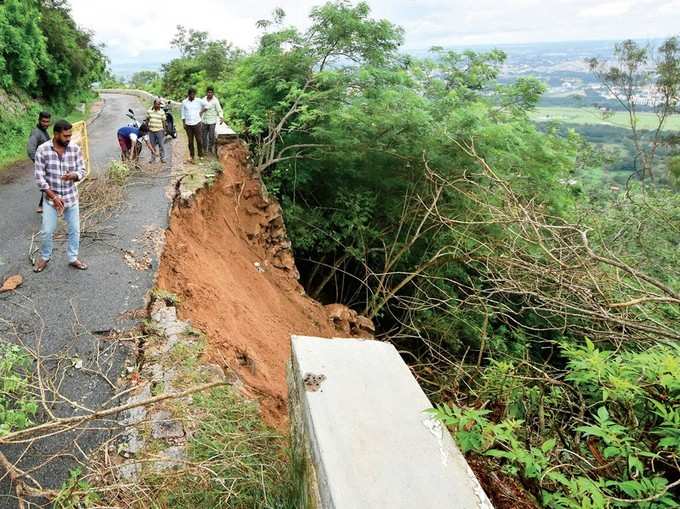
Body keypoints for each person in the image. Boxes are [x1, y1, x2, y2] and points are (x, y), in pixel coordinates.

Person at [33, 120, 88, 272]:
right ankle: (44, 257)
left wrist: (74, 175)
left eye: (70, 135)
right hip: (51, 200)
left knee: (75, 230)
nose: (69, 138)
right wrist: (54, 197)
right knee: (47, 231)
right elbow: (39, 178)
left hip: (71, 198)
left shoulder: (75, 149)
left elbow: (82, 170)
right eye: (65, 136)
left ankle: (73, 258)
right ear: (56, 134)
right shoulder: (42, 150)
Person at [26, 111, 52, 213]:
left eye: (47, 122)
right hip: (42, 164)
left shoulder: (44, 131)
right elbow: (30, 149)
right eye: (43, 121)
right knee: (47, 184)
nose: (46, 124)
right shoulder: (36, 132)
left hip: (48, 163)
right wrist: (37, 163)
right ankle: (42, 206)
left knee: (48, 183)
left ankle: (43, 205)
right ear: (39, 120)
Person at [180, 87, 207, 163]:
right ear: (188, 94)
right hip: (188, 124)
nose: (192, 95)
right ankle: (192, 156)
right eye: (191, 94)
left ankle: (200, 155)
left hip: (197, 123)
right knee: (190, 141)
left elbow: (207, 106)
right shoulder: (184, 102)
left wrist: (201, 112)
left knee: (199, 140)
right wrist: (184, 123)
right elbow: (182, 114)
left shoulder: (198, 101)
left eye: (194, 94)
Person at [202, 87, 224, 156]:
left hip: (212, 121)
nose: (210, 94)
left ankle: (210, 149)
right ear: (206, 93)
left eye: (211, 92)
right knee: (204, 136)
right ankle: (204, 149)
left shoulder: (215, 101)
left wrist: (221, 117)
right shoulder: (203, 99)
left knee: (211, 136)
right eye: (208, 92)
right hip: (204, 120)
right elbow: (200, 109)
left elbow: (219, 110)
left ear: (213, 93)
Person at [146, 99, 166, 163]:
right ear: (154, 104)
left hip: (159, 130)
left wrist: (164, 130)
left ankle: (162, 158)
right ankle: (153, 158)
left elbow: (164, 121)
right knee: (152, 145)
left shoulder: (162, 112)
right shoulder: (149, 111)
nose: (158, 105)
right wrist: (146, 128)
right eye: (157, 104)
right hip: (151, 131)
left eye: (159, 104)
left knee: (161, 145)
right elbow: (147, 120)